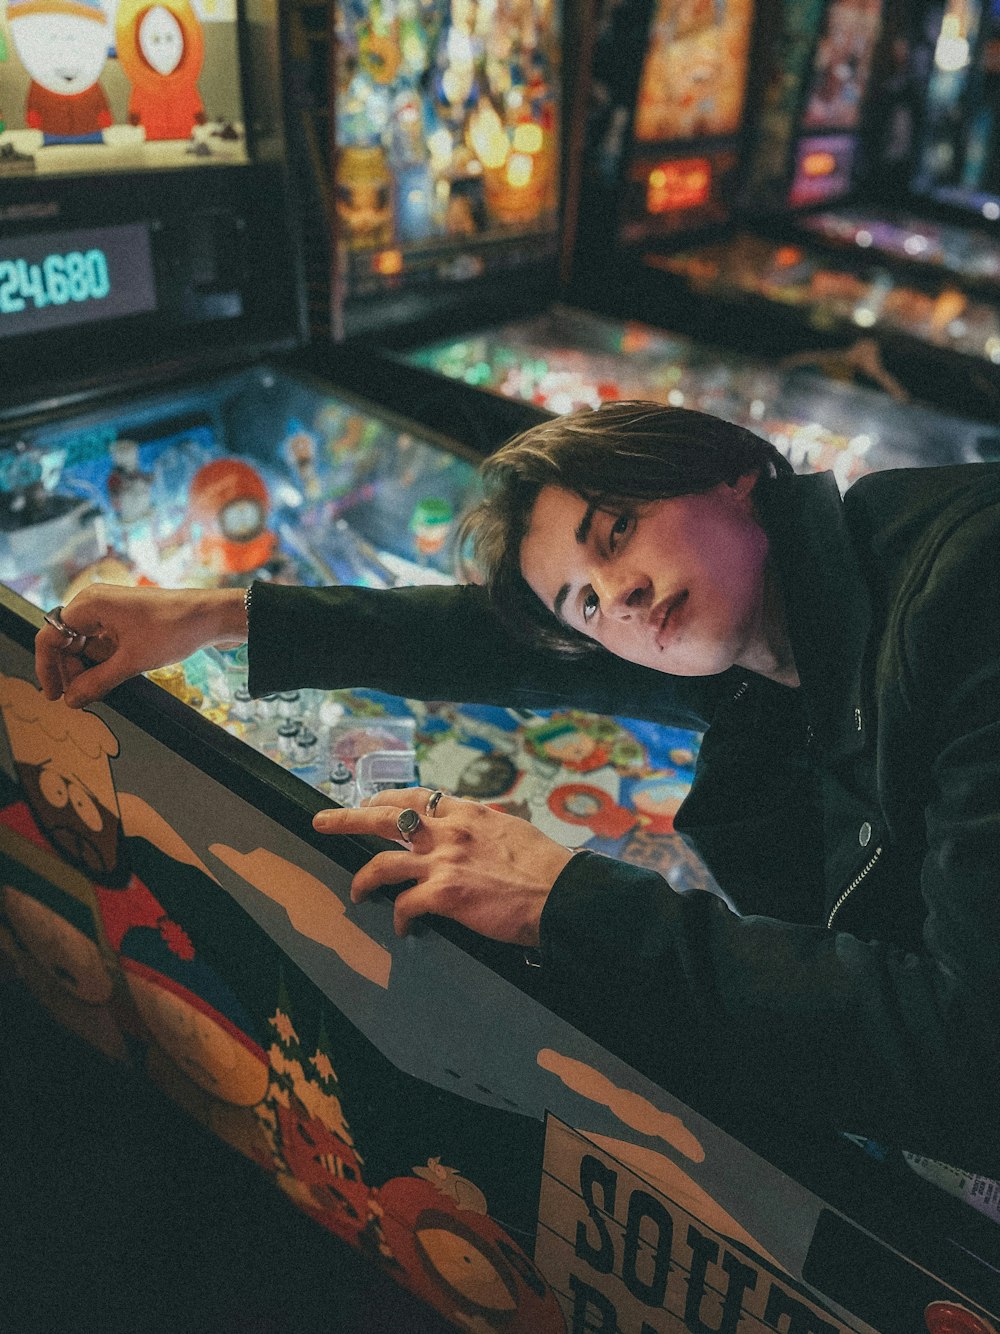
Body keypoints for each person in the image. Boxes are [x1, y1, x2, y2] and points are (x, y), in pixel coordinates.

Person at [34, 403, 1000, 1177]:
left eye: (616, 531)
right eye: (586, 598)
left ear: (728, 469)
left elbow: (970, 1061)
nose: (618, 595)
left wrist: (563, 898)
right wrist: (210, 615)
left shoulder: (967, 592)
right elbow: (511, 645)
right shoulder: (782, 610)